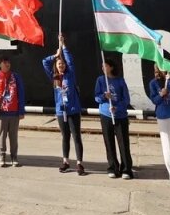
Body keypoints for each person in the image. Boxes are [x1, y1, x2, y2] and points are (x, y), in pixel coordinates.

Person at [44, 35, 85, 175]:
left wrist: (63, 45)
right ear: (56, 66)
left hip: (73, 110)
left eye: (62, 63)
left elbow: (70, 60)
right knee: (65, 137)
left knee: (76, 136)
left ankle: (79, 163)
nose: (61, 65)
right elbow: (44, 62)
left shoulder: (70, 74)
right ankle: (66, 161)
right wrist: (55, 55)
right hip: (61, 112)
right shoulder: (54, 77)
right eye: (58, 64)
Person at [95, 58, 133, 179]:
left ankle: (126, 169)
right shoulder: (100, 80)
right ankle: (113, 168)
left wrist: (117, 108)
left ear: (111, 67)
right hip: (106, 115)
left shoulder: (120, 81)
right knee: (109, 143)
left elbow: (126, 99)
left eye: (105, 66)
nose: (103, 68)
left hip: (120, 116)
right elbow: (97, 97)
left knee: (123, 143)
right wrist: (104, 96)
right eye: (102, 66)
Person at [0, 56, 25, 167]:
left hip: (14, 112)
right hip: (1, 112)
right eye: (4, 62)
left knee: (13, 137)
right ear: (0, 64)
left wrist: (21, 111)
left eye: (8, 62)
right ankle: (2, 157)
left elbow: (21, 94)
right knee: (1, 136)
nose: (7, 64)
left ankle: (14, 157)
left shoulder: (16, 77)